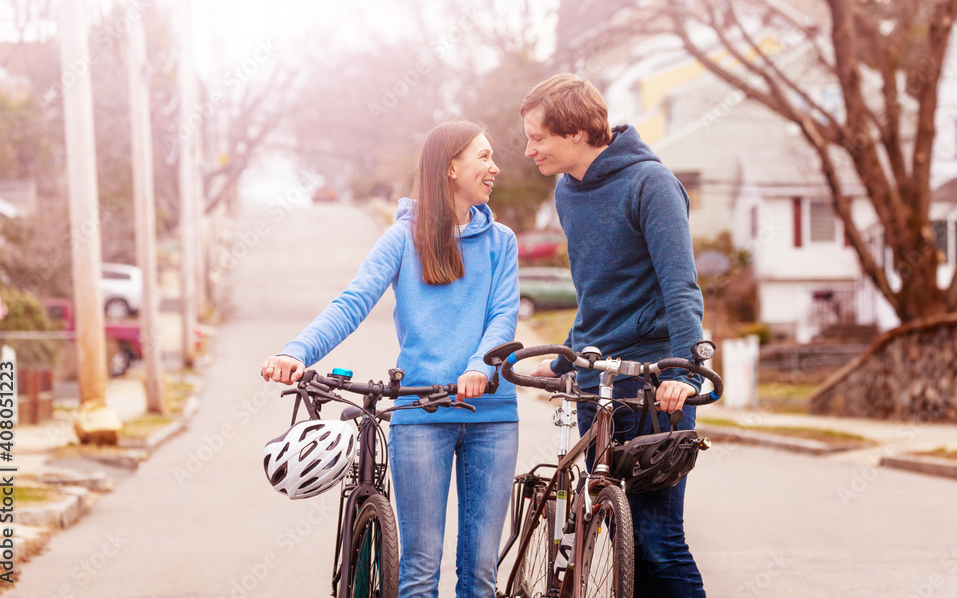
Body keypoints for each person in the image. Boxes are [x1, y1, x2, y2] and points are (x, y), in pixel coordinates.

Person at [261, 120, 520, 598]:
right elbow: (353, 302)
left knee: (480, 576)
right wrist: (296, 351)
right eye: (483, 157)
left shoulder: (501, 241)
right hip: (420, 416)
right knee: (419, 572)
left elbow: (503, 318)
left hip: (492, 415)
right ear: (450, 168)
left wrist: (480, 369)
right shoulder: (403, 238)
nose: (494, 167)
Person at [520, 73, 708, 597]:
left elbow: (681, 287)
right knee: (606, 531)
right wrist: (562, 362)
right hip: (595, 380)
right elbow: (596, 294)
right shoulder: (566, 191)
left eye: (538, 137)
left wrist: (685, 369)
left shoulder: (652, 184)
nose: (529, 149)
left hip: (652, 380)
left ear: (576, 132)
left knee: (657, 540)